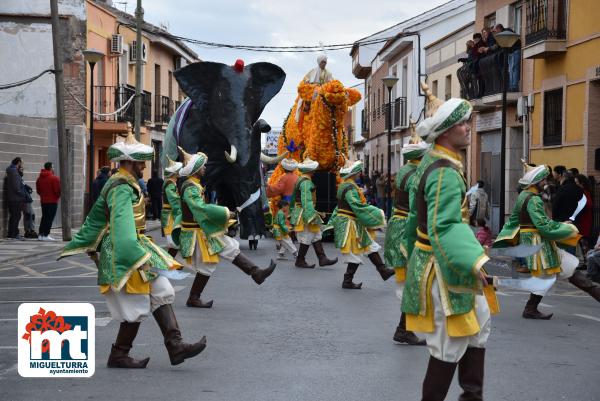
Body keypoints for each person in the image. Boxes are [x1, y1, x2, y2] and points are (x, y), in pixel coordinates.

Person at [60, 130, 206, 369]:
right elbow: (122, 227)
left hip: (134, 245)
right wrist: (137, 256)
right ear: (128, 162)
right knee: (134, 305)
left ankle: (175, 345)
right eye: (140, 162)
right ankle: (119, 354)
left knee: (161, 290)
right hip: (121, 249)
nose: (143, 167)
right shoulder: (120, 187)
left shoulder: (127, 184)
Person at [402, 93, 495, 401]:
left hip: (447, 260)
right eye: (462, 123)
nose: (468, 127)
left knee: (477, 328)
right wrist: (477, 262)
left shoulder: (440, 163)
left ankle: (472, 396)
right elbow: (444, 226)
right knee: (450, 341)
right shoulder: (442, 170)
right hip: (442, 267)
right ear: (445, 132)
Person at [495, 161, 600, 320]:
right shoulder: (533, 199)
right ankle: (530, 309)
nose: (546, 183)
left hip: (534, 241)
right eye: (543, 180)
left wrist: (560, 224)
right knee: (549, 275)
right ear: (537, 181)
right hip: (538, 242)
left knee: (565, 270)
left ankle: (530, 309)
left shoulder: (524, 195)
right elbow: (543, 226)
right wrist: (568, 228)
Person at [177, 147, 277, 309]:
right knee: (207, 266)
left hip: (203, 231)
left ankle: (256, 273)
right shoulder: (190, 188)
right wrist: (224, 212)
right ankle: (193, 297)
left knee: (230, 246)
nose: (204, 168)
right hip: (197, 233)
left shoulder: (194, 186)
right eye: (202, 166)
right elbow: (200, 208)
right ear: (195, 169)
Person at [382, 127, 429, 345]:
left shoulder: (403, 171)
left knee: (414, 282)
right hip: (407, 229)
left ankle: (405, 328)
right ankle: (403, 329)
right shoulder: (416, 175)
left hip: (398, 224)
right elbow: (416, 209)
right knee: (415, 281)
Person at [329, 160, 394, 289]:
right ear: (354, 173)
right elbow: (357, 206)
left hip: (352, 222)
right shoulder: (350, 187)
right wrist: (377, 213)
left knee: (370, 246)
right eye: (358, 171)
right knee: (356, 252)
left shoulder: (346, 185)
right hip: (349, 223)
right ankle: (347, 281)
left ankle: (383, 271)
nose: (360, 173)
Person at [290, 156, 338, 269]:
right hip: (305, 212)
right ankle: (300, 260)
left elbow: (294, 199)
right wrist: (311, 215)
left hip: (303, 211)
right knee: (308, 235)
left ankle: (322, 258)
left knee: (316, 235)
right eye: (314, 169)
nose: (315, 171)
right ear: (310, 170)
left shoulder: (301, 180)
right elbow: (306, 200)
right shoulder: (306, 183)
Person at [161, 157, 183, 259]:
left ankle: (173, 263)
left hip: (170, 214)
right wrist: (179, 213)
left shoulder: (171, 182)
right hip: (170, 215)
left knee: (176, 242)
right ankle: (168, 263)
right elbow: (174, 200)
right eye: (178, 170)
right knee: (174, 242)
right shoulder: (170, 184)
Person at [36, 162, 61, 241]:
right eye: (52, 167)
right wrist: (57, 196)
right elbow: (57, 191)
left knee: (44, 217)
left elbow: (38, 190)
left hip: (43, 201)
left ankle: (41, 234)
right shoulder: (54, 178)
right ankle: (46, 235)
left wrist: (43, 196)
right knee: (49, 218)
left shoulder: (39, 178)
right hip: (52, 201)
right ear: (50, 168)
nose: (53, 168)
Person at [5, 157, 26, 240]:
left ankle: (11, 233)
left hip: (13, 198)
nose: (23, 164)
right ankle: (14, 234)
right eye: (22, 162)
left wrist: (20, 172)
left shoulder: (13, 171)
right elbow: (17, 187)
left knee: (14, 216)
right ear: (18, 162)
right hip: (16, 199)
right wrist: (23, 194)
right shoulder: (14, 172)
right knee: (16, 216)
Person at [574, 174, 593, 256]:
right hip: (584, 219)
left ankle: (586, 260)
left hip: (584, 220)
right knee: (582, 241)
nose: (576, 185)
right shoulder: (585, 192)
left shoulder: (584, 192)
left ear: (581, 183)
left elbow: (588, 204)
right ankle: (585, 260)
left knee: (583, 241)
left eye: (577, 183)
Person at [19, 165, 38, 239]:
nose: (22, 170)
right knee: (27, 215)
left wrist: (27, 188)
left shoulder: (21, 178)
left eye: (22, 169)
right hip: (24, 199)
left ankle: (31, 230)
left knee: (32, 215)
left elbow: (23, 186)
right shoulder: (17, 177)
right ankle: (28, 231)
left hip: (28, 199)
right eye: (21, 169)